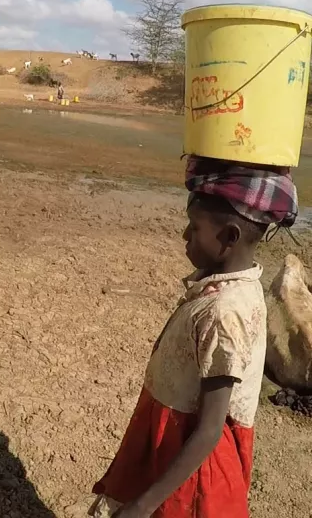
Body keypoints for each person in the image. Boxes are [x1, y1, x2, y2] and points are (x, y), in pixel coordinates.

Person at [89, 155, 299, 518]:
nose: (184, 235)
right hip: (173, 437)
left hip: (196, 462)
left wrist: (143, 504)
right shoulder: (231, 286)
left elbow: (210, 429)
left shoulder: (224, 312)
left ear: (229, 237)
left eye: (194, 227)